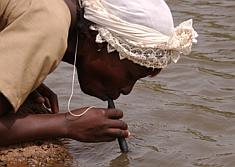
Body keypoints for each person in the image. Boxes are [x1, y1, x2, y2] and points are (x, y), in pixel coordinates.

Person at [0, 0, 197, 146]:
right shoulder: (50, 23)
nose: (127, 90)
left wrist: (23, 77)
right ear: (100, 40)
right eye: (130, 75)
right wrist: (65, 125)